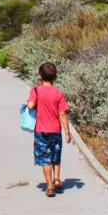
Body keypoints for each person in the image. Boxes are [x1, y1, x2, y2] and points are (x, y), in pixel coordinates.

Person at [26, 61, 71, 198]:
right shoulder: (58, 94)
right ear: (55, 77)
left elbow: (30, 106)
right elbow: (63, 113)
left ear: (40, 76)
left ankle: (50, 186)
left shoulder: (35, 91)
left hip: (41, 131)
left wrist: (30, 103)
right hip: (56, 130)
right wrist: (67, 132)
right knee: (56, 155)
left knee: (45, 158)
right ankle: (57, 178)